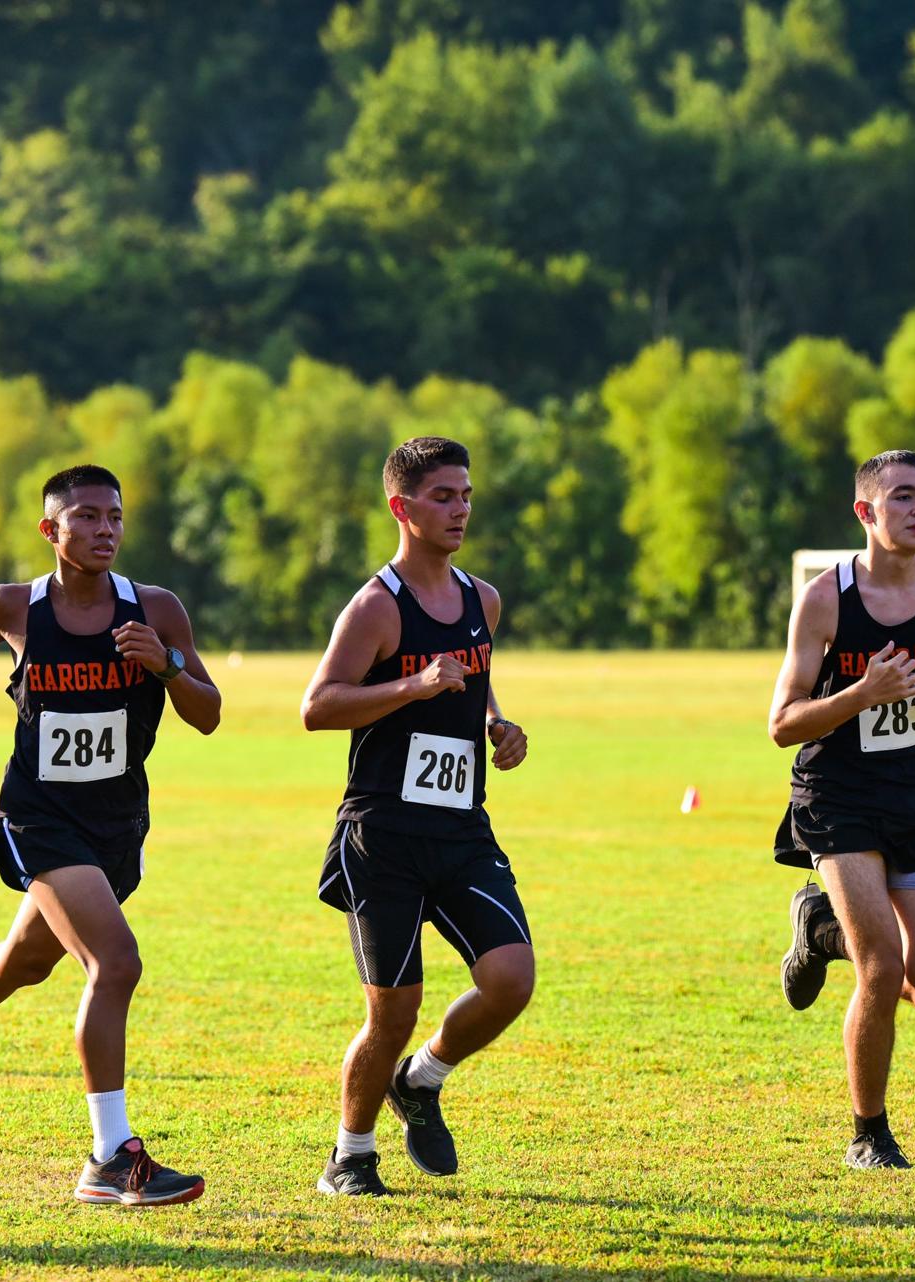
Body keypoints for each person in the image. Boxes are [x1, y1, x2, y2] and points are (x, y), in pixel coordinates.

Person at [0, 464, 221, 1207]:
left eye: (115, 516)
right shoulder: (13, 607)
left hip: (117, 825)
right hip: (40, 818)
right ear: (50, 529)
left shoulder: (156, 609)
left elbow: (209, 714)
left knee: (25, 962)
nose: (105, 529)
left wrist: (165, 665)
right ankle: (110, 1157)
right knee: (115, 963)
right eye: (87, 516)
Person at [301, 436, 534, 1197]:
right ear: (402, 507)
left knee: (511, 979)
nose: (460, 509)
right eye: (443, 497)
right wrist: (411, 686)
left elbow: (474, 679)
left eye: (466, 495)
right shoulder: (376, 606)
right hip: (383, 837)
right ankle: (350, 1156)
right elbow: (318, 706)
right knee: (392, 1012)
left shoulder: (482, 599)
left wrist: (497, 725)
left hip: (461, 828)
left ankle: (422, 1079)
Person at [767, 449, 915, 1169]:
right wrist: (863, 693)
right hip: (839, 798)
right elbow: (782, 724)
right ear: (865, 511)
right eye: (903, 497)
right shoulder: (826, 599)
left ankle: (819, 930)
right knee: (882, 968)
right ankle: (870, 1133)